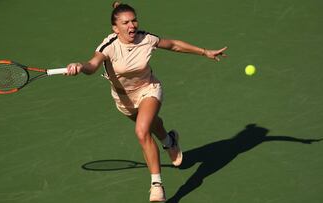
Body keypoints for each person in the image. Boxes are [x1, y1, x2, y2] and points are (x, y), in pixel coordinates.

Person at [66, 2, 227, 202]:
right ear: (115, 29)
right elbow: (92, 65)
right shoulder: (108, 46)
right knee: (151, 124)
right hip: (124, 99)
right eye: (125, 23)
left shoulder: (146, 38)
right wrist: (79, 66)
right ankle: (169, 141)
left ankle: (156, 185)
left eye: (134, 20)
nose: (131, 25)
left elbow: (174, 44)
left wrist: (205, 51)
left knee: (142, 131)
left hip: (148, 89)